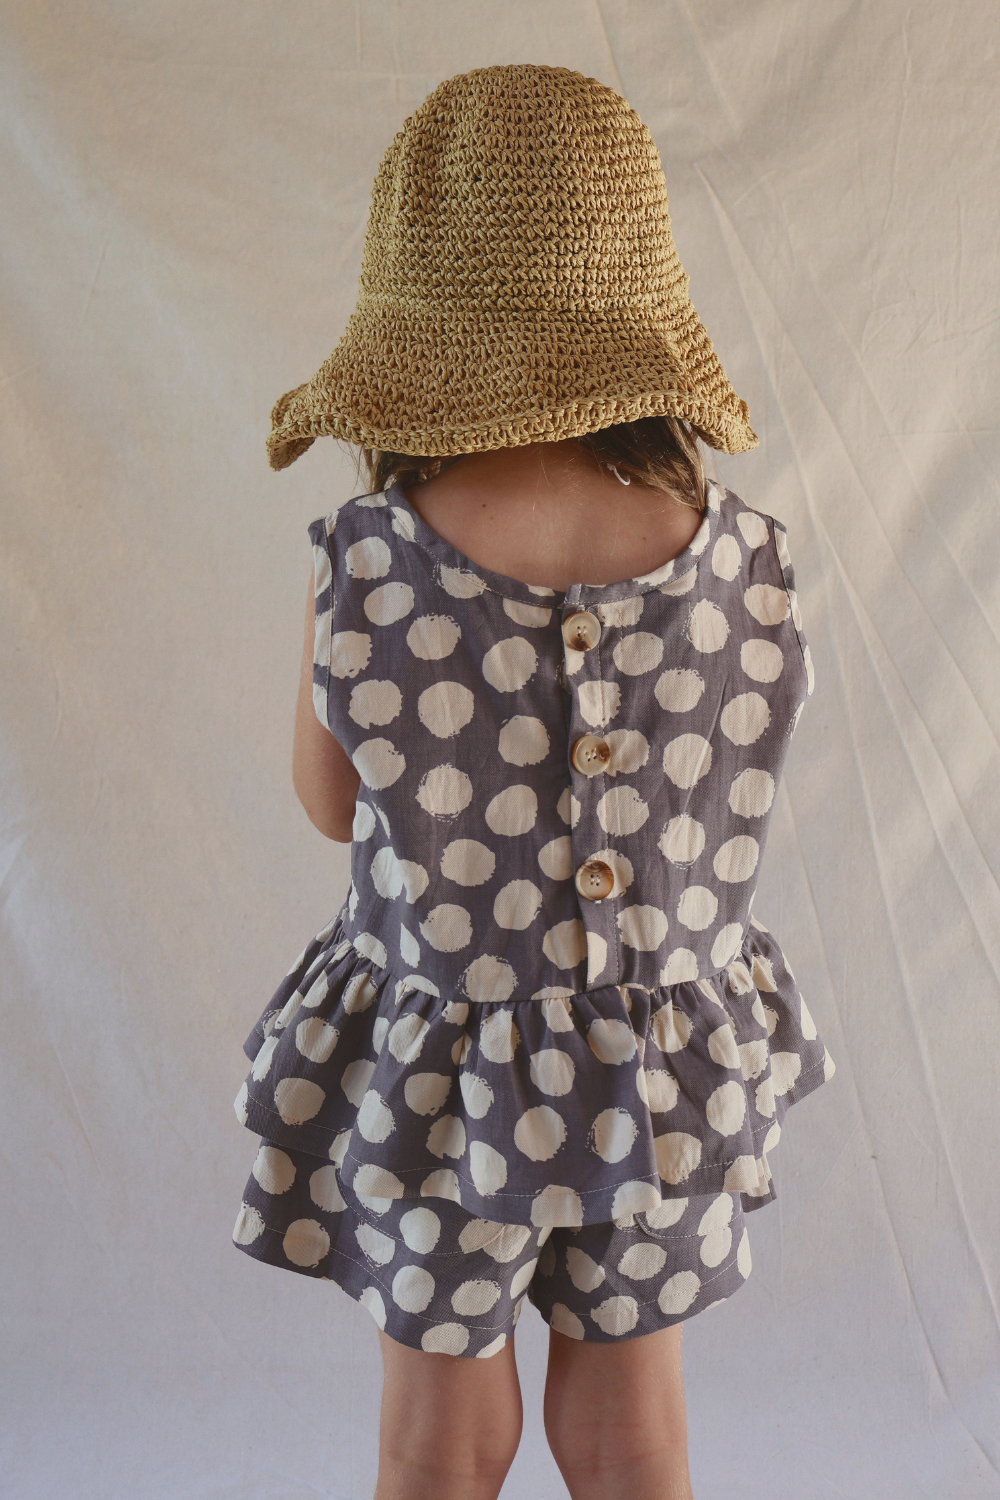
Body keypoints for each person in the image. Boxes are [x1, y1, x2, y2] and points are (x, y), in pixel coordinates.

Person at [231, 63, 834, 1500]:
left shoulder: (371, 559)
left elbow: (333, 804)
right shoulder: (737, 555)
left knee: (439, 1435)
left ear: (415, 327)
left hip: (443, 1088)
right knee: (635, 1432)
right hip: (657, 1087)